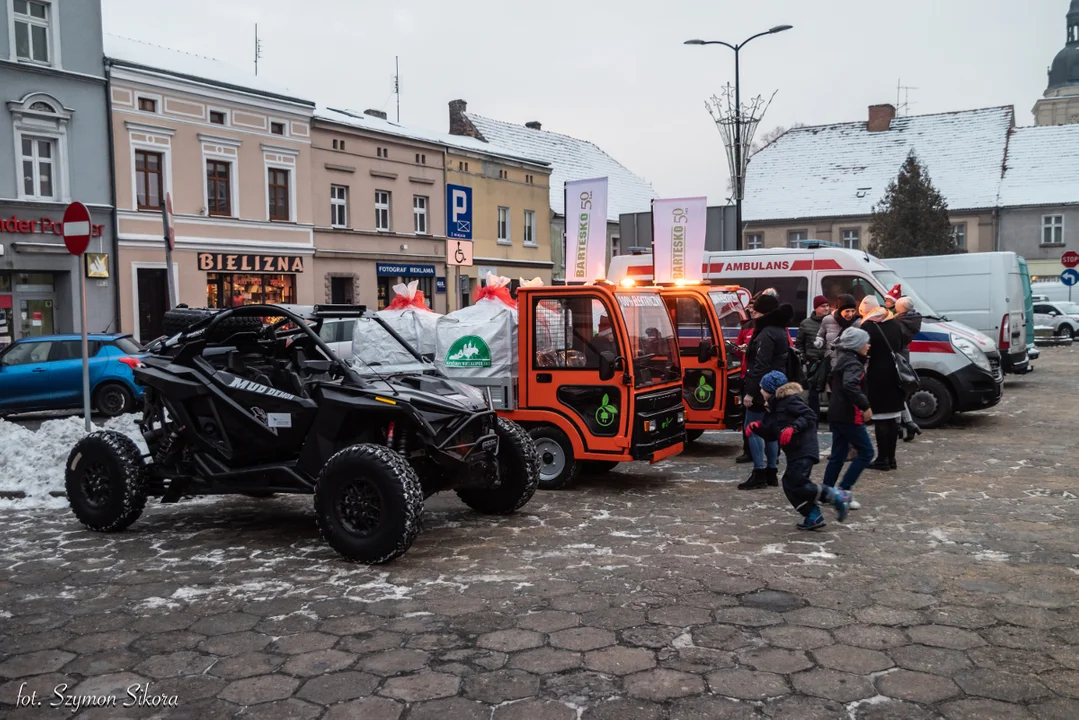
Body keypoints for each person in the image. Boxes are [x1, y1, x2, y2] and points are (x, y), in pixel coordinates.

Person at [746, 370, 850, 530]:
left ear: (771, 389)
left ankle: (835, 495)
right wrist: (758, 428)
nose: (760, 391)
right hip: (794, 451)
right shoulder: (773, 408)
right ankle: (812, 515)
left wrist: (793, 428)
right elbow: (773, 435)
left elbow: (810, 416)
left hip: (804, 448)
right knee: (789, 484)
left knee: (798, 483)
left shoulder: (790, 400)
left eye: (762, 388)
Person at [739, 292, 794, 490]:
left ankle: (759, 472)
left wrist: (751, 392)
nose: (752, 311)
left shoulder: (766, 332)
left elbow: (761, 365)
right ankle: (771, 472)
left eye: (756, 308)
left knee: (752, 428)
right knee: (771, 430)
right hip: (777, 385)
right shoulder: (779, 329)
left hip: (763, 387)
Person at [822, 327, 875, 508]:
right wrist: (865, 406)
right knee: (867, 452)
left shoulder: (843, 360)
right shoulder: (853, 364)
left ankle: (827, 492)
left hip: (836, 412)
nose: (868, 345)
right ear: (857, 345)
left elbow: (832, 380)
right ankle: (843, 491)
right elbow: (850, 386)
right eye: (866, 342)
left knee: (838, 454)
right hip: (848, 415)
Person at [857, 297, 906, 471]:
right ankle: (891, 458)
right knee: (892, 418)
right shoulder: (893, 322)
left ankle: (882, 459)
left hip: (878, 375)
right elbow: (901, 344)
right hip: (895, 374)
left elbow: (863, 351)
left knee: (880, 419)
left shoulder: (868, 326)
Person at [893, 297, 923, 442]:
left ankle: (902, 425)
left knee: (896, 392)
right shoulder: (911, 319)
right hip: (903, 355)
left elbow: (895, 338)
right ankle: (908, 425)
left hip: (898, 356)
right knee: (899, 392)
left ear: (901, 309)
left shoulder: (901, 321)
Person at [797, 295, 830, 416]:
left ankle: (833, 418)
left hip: (829, 362)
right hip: (813, 363)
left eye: (827, 305)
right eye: (823, 306)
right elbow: (799, 343)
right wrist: (805, 359)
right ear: (816, 308)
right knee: (813, 393)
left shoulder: (832, 321)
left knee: (831, 391)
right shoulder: (806, 323)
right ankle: (813, 418)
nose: (826, 308)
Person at [733, 316, 755, 464]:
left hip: (763, 378)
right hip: (746, 376)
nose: (753, 311)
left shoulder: (774, 329)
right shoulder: (746, 327)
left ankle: (772, 453)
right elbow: (737, 349)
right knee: (747, 417)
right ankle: (748, 451)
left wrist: (750, 350)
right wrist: (741, 350)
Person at [816, 294, 859, 364]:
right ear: (840, 310)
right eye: (847, 311)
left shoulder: (858, 323)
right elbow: (820, 337)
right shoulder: (828, 320)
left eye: (853, 311)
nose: (850, 314)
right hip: (832, 365)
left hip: (851, 367)